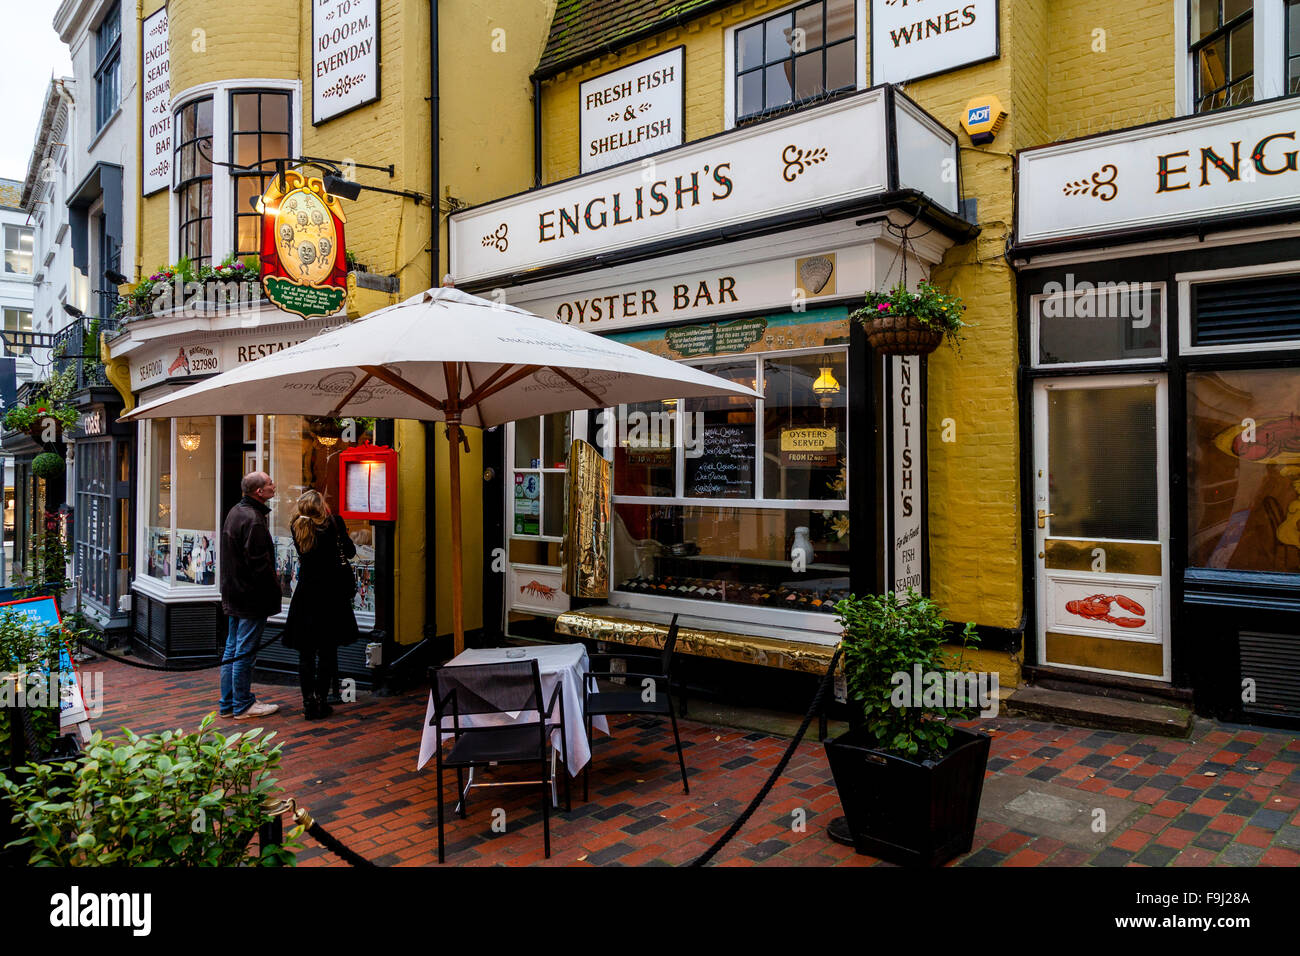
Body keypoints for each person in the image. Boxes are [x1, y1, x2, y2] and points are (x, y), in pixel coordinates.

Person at [282, 490, 359, 720]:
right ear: (321, 507)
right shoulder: (333, 523)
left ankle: (308, 701)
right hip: (331, 595)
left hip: (306, 594)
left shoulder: (297, 526)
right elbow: (350, 551)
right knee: (327, 651)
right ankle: (322, 700)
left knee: (306, 654)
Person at [219, 472, 282, 719]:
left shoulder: (236, 512)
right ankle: (243, 704)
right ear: (259, 492)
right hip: (250, 597)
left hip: (234, 592)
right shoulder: (254, 520)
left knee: (232, 649)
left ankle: (228, 704)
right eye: (269, 483)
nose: (273, 485)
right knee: (244, 651)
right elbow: (260, 565)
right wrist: (275, 590)